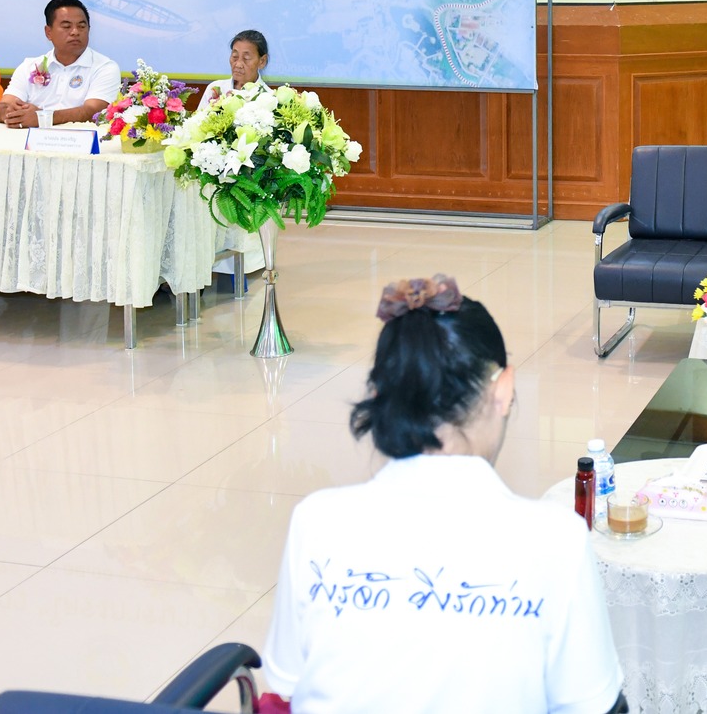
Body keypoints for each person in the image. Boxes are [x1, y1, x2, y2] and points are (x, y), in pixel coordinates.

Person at [259, 275, 625, 714]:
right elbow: (590, 705)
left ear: (378, 395)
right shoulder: (556, 540)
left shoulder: (316, 522)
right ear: (503, 391)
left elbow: (284, 687)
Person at [0, 0, 120, 129]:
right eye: (66, 26)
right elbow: (0, 107)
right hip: (31, 144)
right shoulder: (29, 66)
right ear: (48, 32)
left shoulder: (105, 67)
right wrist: (10, 113)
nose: (75, 32)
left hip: (78, 143)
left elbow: (94, 111)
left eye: (81, 26)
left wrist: (42, 117)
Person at [199, 29, 270, 108]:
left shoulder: (269, 99)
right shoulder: (215, 89)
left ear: (262, 61)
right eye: (235, 56)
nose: (238, 64)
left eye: (246, 58)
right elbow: (197, 119)